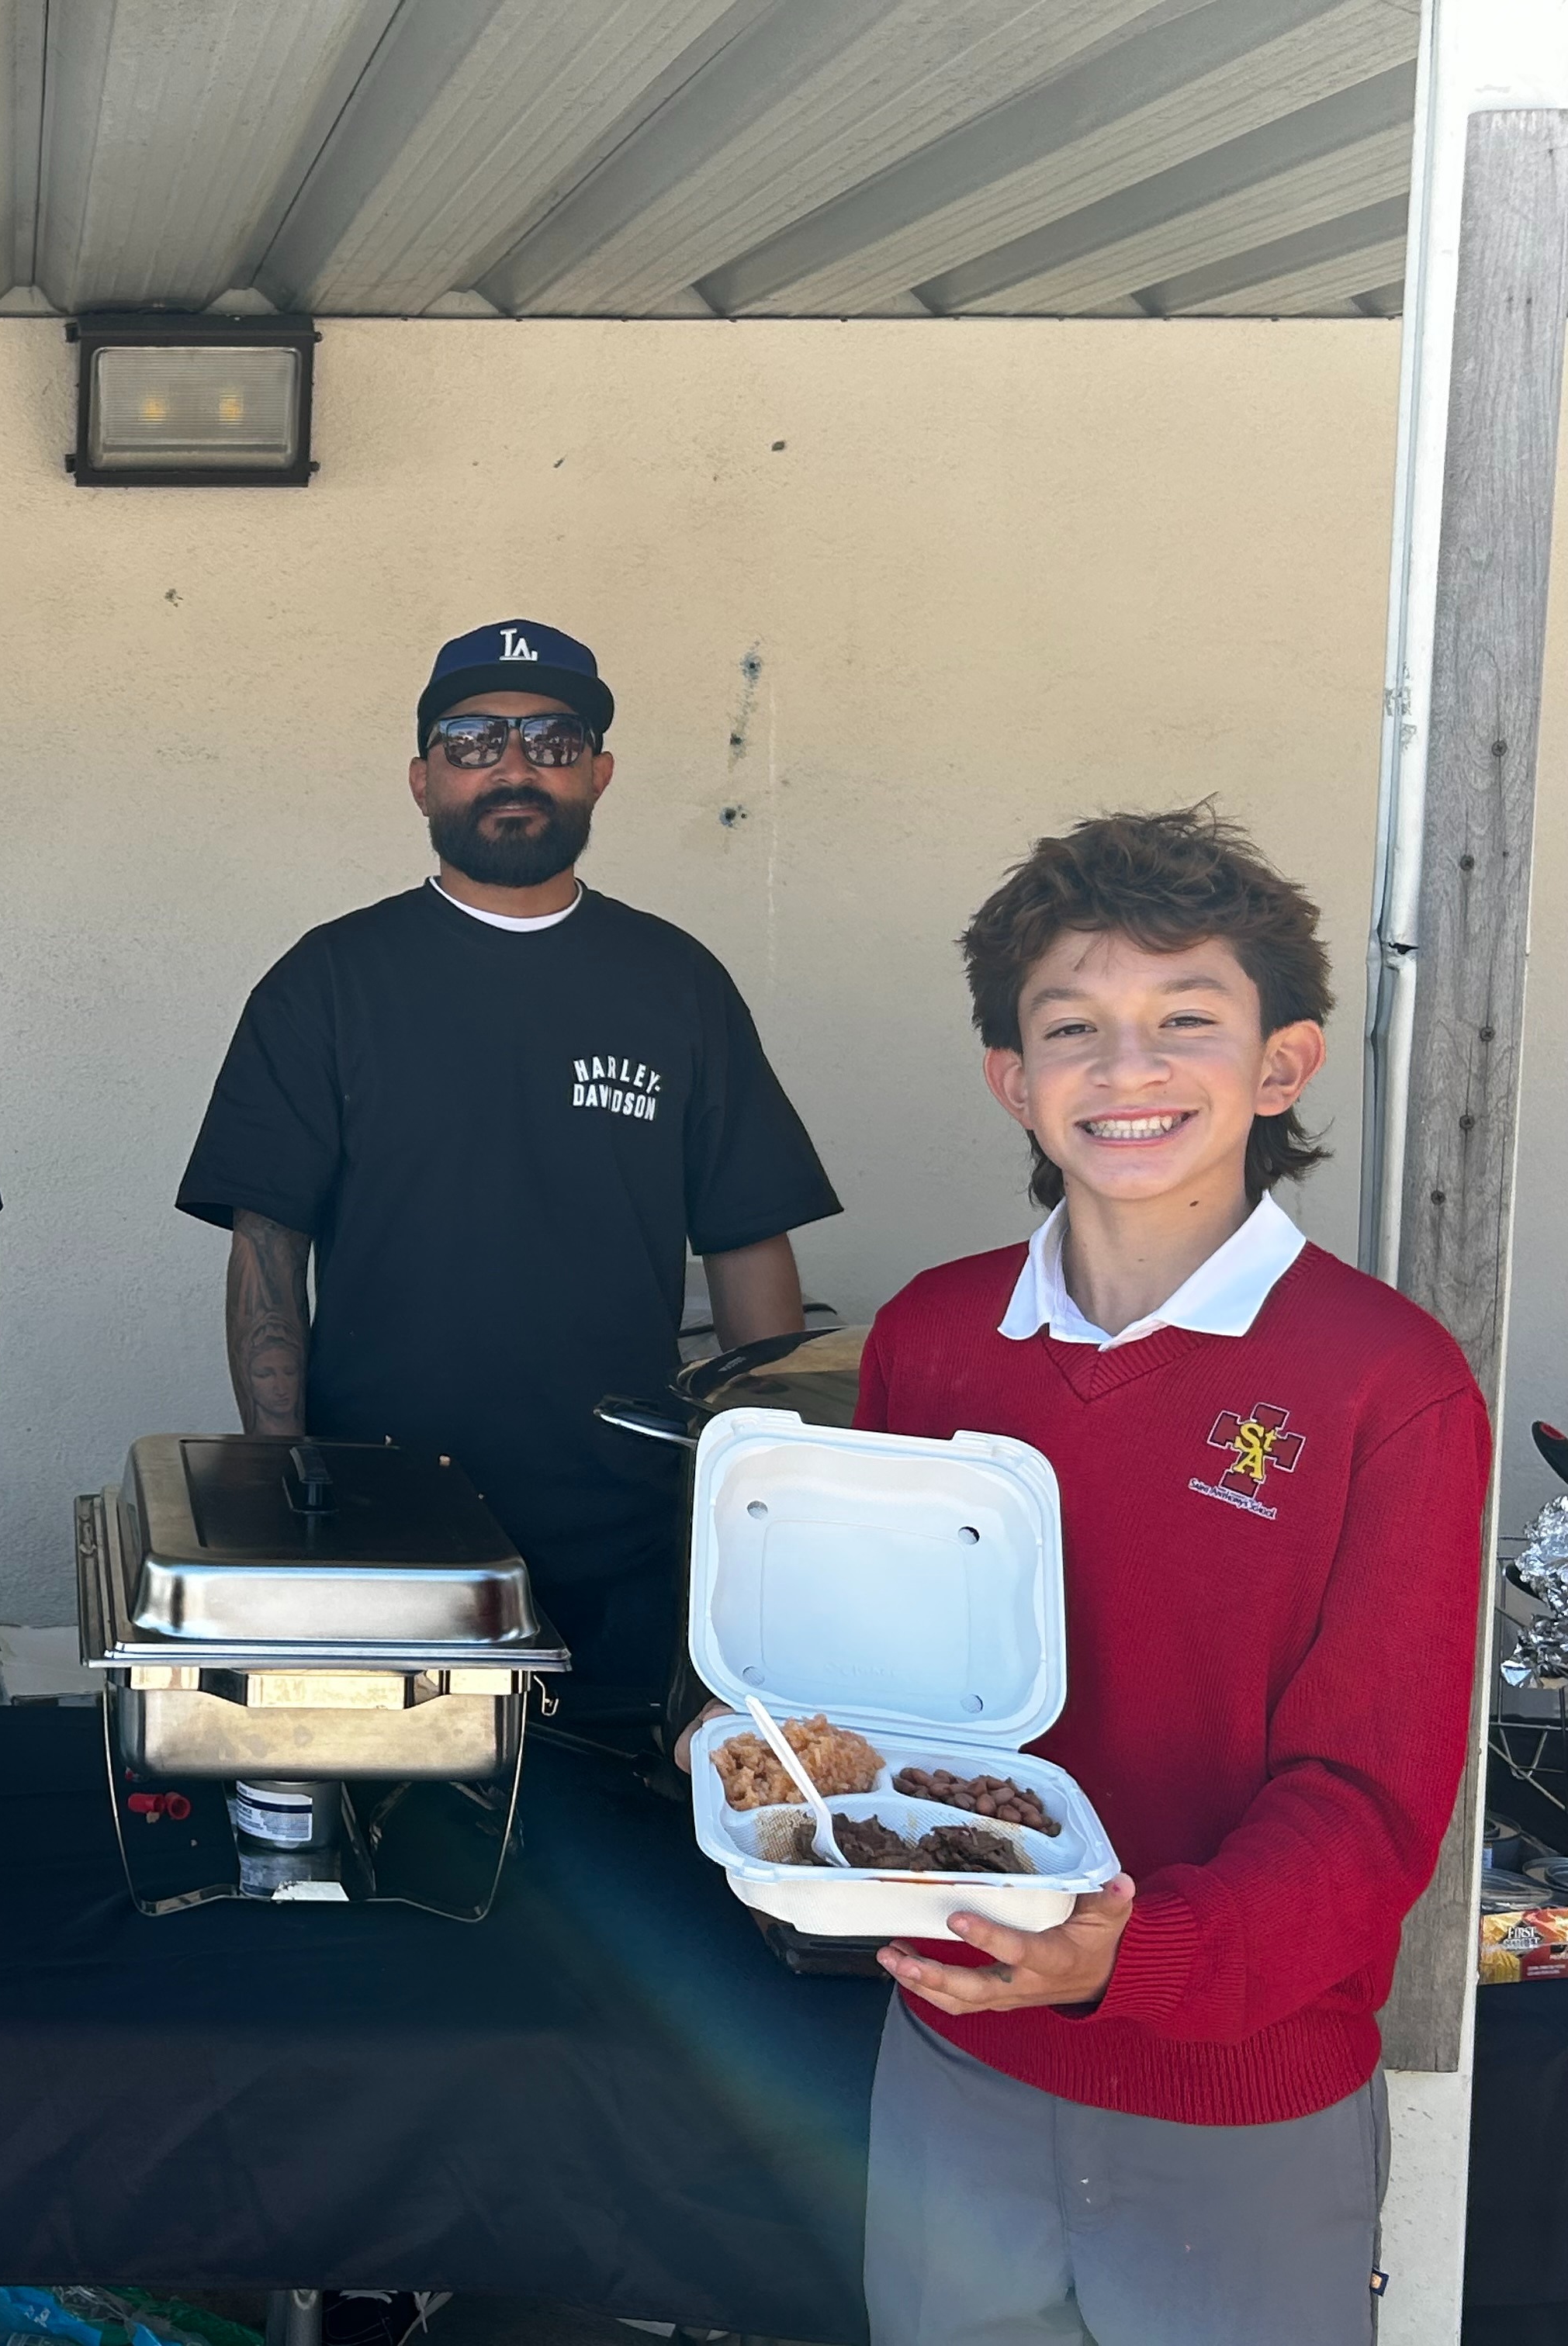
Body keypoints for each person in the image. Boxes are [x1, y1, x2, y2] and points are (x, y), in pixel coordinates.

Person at [847, 808, 1484, 2344]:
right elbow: (873, 1675)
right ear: (1015, 1079)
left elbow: (1368, 1800)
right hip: (959, 2059)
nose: (1127, 1071)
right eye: (1075, 1028)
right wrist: (771, 1739)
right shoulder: (929, 1343)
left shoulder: (1382, 1383)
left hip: (1241, 2103)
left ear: (1281, 1067)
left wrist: (1134, 1956)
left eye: (1184, 1022)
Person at [177, 618, 839, 1728]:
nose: (515, 766)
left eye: (552, 738)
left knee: (620, 1839)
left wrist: (761, 1498)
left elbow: (748, 1244)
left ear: (600, 772)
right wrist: (287, 1485)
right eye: (474, 741)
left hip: (628, 1524)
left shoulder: (675, 983)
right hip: (384, 1522)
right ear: (422, 779)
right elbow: (267, 1251)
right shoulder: (329, 981)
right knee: (393, 1843)